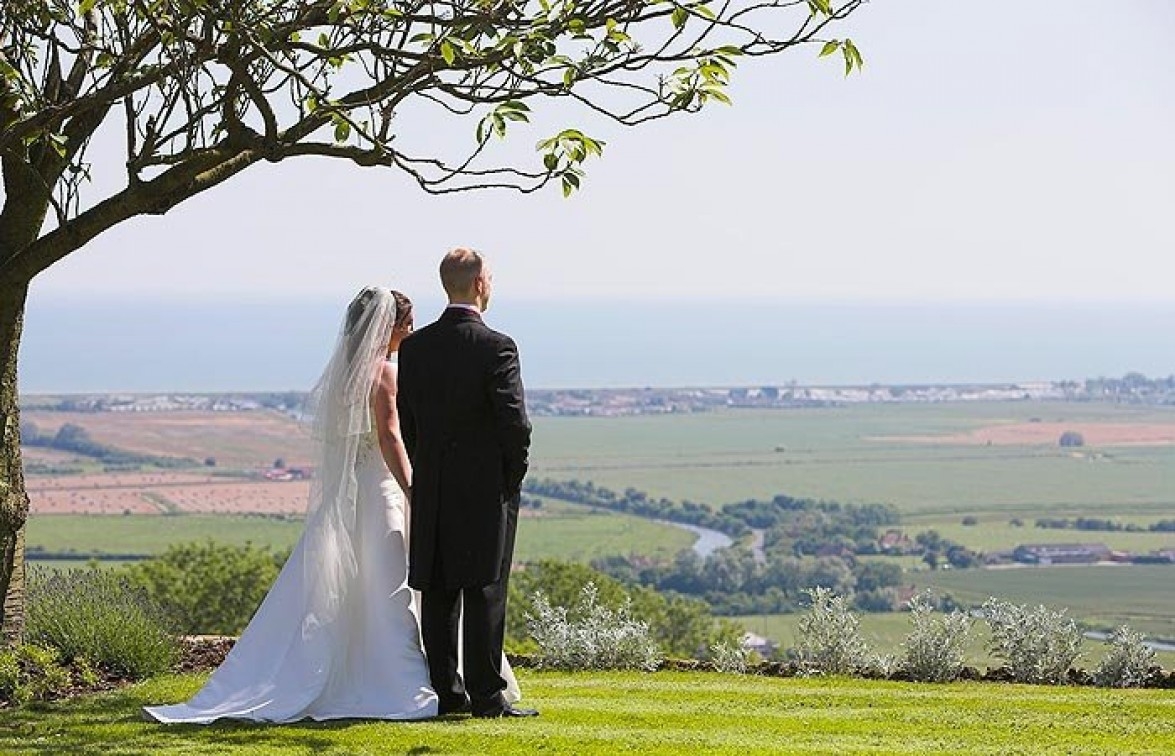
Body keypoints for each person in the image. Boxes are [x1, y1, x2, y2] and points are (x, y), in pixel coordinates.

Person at [142, 286, 517, 724]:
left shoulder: (344, 374)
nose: (411, 331)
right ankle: (405, 684)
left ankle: (379, 673)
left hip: (349, 492)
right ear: (389, 327)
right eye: (407, 324)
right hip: (380, 489)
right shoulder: (385, 374)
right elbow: (390, 436)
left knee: (353, 583)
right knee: (393, 585)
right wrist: (413, 487)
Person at [398, 248, 537, 718]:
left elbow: (408, 422)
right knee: (485, 590)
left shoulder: (415, 349)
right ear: (479, 284)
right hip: (486, 489)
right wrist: (509, 477)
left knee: (438, 591)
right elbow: (514, 425)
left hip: (434, 484)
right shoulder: (498, 346)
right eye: (491, 278)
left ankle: (447, 694)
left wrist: (429, 466)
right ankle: (486, 696)